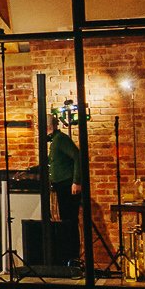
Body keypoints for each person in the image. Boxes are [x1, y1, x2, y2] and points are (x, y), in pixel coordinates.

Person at [45, 110, 86, 270]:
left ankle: (72, 258)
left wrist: (76, 181)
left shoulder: (61, 140)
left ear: (48, 127)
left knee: (70, 222)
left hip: (67, 186)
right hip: (61, 186)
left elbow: (78, 156)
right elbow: (50, 163)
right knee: (66, 221)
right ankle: (68, 257)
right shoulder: (55, 141)